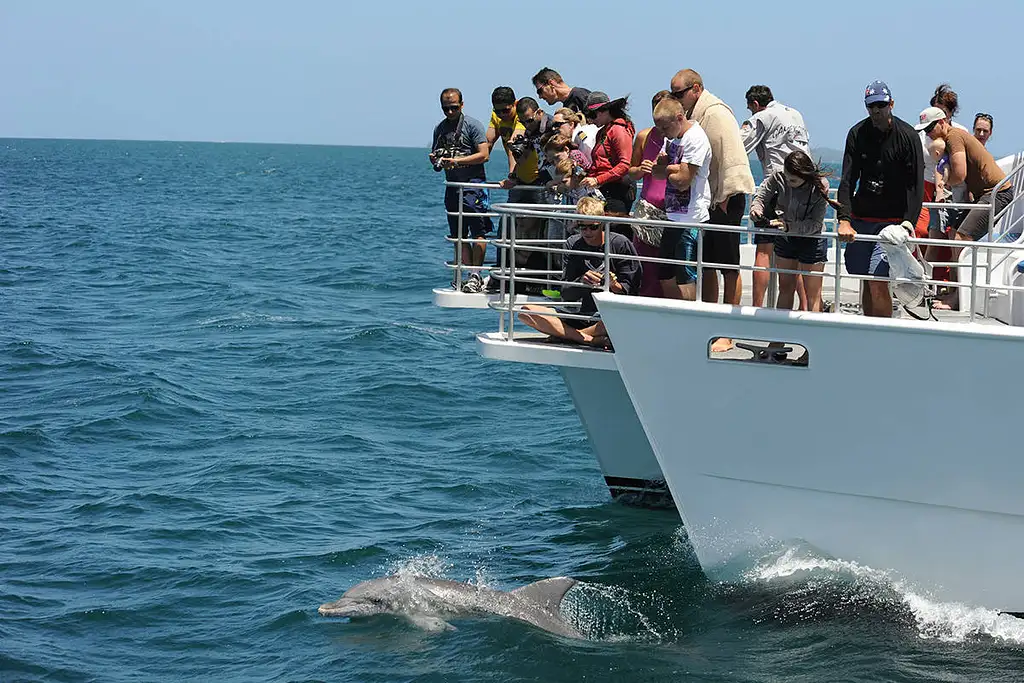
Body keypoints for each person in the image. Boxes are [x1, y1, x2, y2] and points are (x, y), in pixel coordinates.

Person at [669, 69, 755, 311]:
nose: (676, 99)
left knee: (728, 265)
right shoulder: (697, 114)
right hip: (710, 200)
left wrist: (725, 195)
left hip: (725, 197)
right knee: (705, 263)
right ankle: (711, 316)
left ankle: (728, 324)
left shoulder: (715, 113)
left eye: (679, 93)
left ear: (696, 89)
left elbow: (730, 157)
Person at [836, 80, 924, 318]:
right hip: (862, 218)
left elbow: (915, 185)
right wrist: (844, 219)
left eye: (881, 105)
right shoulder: (856, 134)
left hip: (892, 222)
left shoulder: (908, 136)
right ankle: (868, 327)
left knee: (877, 279)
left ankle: (881, 336)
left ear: (891, 104)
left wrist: (908, 223)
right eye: (871, 106)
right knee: (864, 276)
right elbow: (847, 180)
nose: (876, 111)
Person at [918, 106, 1015, 308]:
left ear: (943, 122)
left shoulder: (954, 137)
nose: (928, 133)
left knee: (961, 238)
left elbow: (960, 175)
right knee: (954, 233)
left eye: (930, 128)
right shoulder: (953, 138)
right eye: (925, 130)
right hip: (984, 195)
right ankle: (955, 290)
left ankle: (959, 297)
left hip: (997, 194)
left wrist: (943, 184)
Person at [517, 197, 640, 348]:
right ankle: (587, 339)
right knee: (527, 312)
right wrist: (583, 282)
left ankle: (566, 335)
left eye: (593, 227)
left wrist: (612, 284)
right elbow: (567, 293)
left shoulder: (620, 243)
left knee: (615, 322)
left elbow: (632, 291)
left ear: (602, 223)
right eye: (582, 227)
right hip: (581, 312)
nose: (587, 232)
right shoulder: (573, 243)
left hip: (609, 314)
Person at [741, 85, 811, 308]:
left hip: (777, 185)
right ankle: (805, 306)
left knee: (764, 250)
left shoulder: (762, 117)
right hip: (804, 187)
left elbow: (739, 146)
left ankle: (758, 308)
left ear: (754, 104)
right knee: (795, 253)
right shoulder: (795, 114)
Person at [749, 151, 838, 312]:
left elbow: (815, 225)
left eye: (793, 180)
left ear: (805, 175)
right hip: (786, 237)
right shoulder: (778, 176)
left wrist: (791, 227)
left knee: (813, 294)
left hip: (812, 240)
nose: (788, 182)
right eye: (787, 177)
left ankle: (812, 336)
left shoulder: (820, 186)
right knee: (785, 288)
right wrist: (756, 209)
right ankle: (779, 337)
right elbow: (761, 196)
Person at [650, 96, 712, 301]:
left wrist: (669, 168)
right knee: (665, 274)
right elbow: (656, 172)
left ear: (679, 118)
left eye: (665, 128)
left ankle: (692, 321)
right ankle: (675, 316)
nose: (662, 134)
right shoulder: (671, 138)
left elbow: (683, 181)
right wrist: (673, 168)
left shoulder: (695, 138)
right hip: (673, 216)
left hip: (692, 218)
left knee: (686, 276)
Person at [430, 88, 492, 292]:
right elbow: (437, 163)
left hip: (473, 185)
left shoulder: (472, 125)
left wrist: (457, 161)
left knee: (478, 232)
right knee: (458, 235)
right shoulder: (440, 129)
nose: (449, 112)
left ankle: (476, 274)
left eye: (454, 108)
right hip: (453, 188)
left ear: (462, 105)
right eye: (445, 108)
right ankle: (466, 274)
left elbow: (484, 154)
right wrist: (437, 161)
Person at [628, 90, 672, 297]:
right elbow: (631, 171)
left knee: (669, 266)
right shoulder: (644, 136)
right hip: (647, 210)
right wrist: (640, 169)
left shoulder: (683, 138)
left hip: (673, 212)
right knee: (645, 264)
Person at [501, 97, 553, 272]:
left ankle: (549, 272)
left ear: (539, 112)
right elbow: (525, 160)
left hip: (549, 184)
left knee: (548, 228)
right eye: (523, 122)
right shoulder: (529, 131)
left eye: (530, 120)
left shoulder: (552, 126)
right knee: (520, 224)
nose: (527, 124)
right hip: (537, 181)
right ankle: (515, 266)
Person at [579, 93, 637, 213]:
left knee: (615, 227)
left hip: (617, 190)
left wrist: (597, 180)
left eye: (593, 114)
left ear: (605, 111)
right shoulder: (603, 132)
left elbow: (625, 165)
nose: (590, 120)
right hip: (604, 189)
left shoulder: (618, 130)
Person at [486, 86, 525, 176]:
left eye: (506, 110)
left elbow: (514, 144)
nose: (502, 114)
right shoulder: (496, 116)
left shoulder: (521, 115)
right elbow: (488, 142)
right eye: (497, 111)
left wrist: (512, 176)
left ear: (515, 103)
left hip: (534, 173)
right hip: (519, 174)